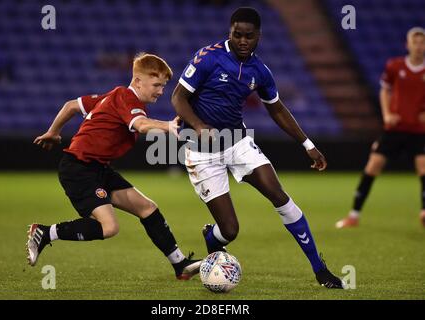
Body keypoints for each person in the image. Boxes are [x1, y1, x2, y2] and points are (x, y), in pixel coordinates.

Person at [171, 7, 344, 288]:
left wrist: (307, 144)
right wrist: (198, 125)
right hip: (201, 150)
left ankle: (320, 270)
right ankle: (212, 238)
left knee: (279, 195)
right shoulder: (208, 57)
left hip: (238, 142)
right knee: (229, 230)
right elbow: (178, 98)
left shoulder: (260, 71)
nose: (242, 41)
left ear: (258, 37)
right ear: (230, 32)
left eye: (248, 36)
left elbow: (277, 110)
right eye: (237, 34)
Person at [27, 53, 201, 280]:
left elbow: (71, 106)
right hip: (79, 169)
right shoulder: (125, 98)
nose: (160, 91)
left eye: (163, 86)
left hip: (97, 168)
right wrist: (168, 125)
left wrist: (53, 132)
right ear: (138, 81)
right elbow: (140, 125)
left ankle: (180, 265)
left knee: (147, 208)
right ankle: (45, 232)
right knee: (109, 227)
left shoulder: (111, 97)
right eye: (156, 85)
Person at [336, 27, 425, 229]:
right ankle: (353, 215)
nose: (419, 47)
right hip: (394, 129)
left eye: (422, 43)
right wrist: (386, 115)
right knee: (372, 167)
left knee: (423, 168)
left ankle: (424, 212)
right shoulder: (395, 66)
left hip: (419, 131)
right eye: (415, 42)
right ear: (408, 45)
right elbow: (385, 90)